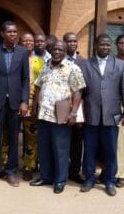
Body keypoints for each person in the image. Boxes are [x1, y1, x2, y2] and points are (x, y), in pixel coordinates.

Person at [30, 40, 86, 194]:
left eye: (60, 50)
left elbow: (77, 91)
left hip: (61, 116)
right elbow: (38, 86)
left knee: (60, 149)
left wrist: (74, 113)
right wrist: (35, 108)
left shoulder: (73, 68)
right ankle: (46, 176)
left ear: (65, 51)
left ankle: (60, 180)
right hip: (44, 114)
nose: (56, 52)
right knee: (44, 148)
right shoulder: (46, 65)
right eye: (54, 49)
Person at [0, 21, 29, 187]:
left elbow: (25, 79)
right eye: (9, 32)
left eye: (15, 32)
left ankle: (11, 171)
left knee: (13, 138)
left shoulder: (23, 53)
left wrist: (25, 101)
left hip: (16, 103)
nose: (13, 34)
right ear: (2, 34)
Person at [80, 34, 124, 196]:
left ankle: (110, 181)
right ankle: (89, 179)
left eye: (107, 45)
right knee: (90, 149)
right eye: (102, 45)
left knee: (110, 150)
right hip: (91, 114)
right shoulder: (85, 64)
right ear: (95, 46)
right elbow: (80, 91)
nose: (105, 47)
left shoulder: (120, 65)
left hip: (112, 115)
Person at [19, 32, 44, 181]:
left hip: (32, 104)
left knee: (31, 137)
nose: (28, 42)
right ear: (20, 43)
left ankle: (28, 166)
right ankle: (6, 164)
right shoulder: (14, 59)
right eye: (25, 40)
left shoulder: (40, 61)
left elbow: (41, 85)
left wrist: (36, 105)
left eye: (31, 40)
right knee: (8, 135)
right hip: (15, 104)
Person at [63, 32, 86, 184]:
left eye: (74, 41)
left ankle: (74, 171)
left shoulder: (84, 62)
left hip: (79, 106)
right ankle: (61, 170)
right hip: (61, 106)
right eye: (69, 41)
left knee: (77, 142)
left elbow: (86, 87)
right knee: (62, 139)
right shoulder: (58, 59)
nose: (72, 43)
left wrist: (80, 111)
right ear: (64, 43)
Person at [116, 34, 124, 188]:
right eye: (121, 43)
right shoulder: (113, 62)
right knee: (119, 143)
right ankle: (120, 174)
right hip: (117, 106)